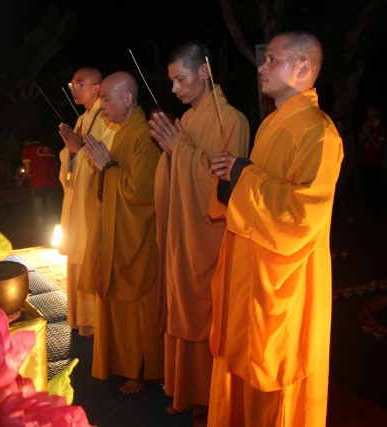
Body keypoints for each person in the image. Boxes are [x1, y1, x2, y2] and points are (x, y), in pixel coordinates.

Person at [208, 31, 343, 426]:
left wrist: (243, 174)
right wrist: (231, 178)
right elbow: (254, 190)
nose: (261, 67)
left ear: (303, 67)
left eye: (272, 59)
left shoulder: (319, 132)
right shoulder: (270, 124)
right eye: (264, 60)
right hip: (249, 274)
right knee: (240, 368)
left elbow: (302, 217)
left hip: (284, 283)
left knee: (275, 386)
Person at [148, 40, 250, 425]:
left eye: (181, 79)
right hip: (183, 235)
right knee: (182, 309)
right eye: (171, 82)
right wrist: (170, 153)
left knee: (208, 317)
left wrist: (181, 151)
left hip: (210, 238)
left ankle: (211, 400)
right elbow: (173, 177)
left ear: (204, 71)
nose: (174, 89)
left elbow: (224, 189)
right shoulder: (189, 121)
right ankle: (186, 392)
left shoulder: (232, 121)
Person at [78, 71, 163, 394]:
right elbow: (111, 177)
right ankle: (122, 361)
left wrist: (107, 167)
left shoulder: (144, 136)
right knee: (115, 301)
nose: (102, 107)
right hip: (116, 229)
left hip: (136, 236)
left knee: (137, 306)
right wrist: (104, 167)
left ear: (128, 98)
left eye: (107, 99)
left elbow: (141, 192)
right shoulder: (125, 131)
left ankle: (141, 369)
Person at [58, 66, 118, 337]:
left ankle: (95, 322)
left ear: (97, 88)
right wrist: (72, 153)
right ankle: (80, 318)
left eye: (80, 83)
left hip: (92, 204)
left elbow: (106, 160)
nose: (74, 89)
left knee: (89, 256)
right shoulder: (82, 119)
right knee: (77, 256)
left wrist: (78, 151)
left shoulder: (106, 120)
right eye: (72, 84)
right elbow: (73, 159)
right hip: (77, 202)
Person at [16, 133, 60, 238]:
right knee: (52, 212)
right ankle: (53, 236)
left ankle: (41, 237)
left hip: (37, 184)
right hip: (52, 184)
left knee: (39, 213)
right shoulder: (49, 149)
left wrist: (20, 181)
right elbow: (56, 168)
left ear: (27, 141)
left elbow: (27, 170)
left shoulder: (28, 148)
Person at [357, 104, 386, 217]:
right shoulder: (365, 125)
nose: (369, 113)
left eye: (372, 111)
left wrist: (368, 133)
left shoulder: (380, 127)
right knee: (365, 187)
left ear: (377, 112)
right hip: (364, 162)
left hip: (375, 163)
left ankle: (375, 211)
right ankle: (368, 210)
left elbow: (378, 147)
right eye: (368, 111)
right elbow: (359, 144)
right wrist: (365, 132)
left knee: (374, 187)